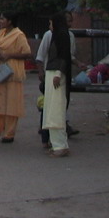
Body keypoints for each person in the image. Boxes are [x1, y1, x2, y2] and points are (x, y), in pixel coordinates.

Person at [0, 13, 32, 143]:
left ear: (10, 21)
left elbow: (27, 53)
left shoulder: (19, 35)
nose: (0, 21)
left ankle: (9, 133)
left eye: (2, 19)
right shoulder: (0, 33)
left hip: (13, 71)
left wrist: (10, 55)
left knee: (11, 102)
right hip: (0, 69)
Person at [41, 12, 73, 157]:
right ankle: (59, 144)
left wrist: (59, 74)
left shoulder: (62, 36)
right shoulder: (58, 36)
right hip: (51, 73)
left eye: (51, 23)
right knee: (52, 109)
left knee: (55, 110)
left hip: (56, 74)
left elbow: (64, 56)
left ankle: (60, 146)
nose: (50, 26)